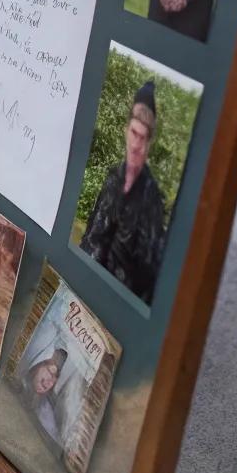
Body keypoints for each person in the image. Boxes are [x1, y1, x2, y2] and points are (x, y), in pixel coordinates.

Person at [80, 81, 167, 305]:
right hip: (84, 286)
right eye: (134, 133)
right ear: (126, 131)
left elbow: (148, 275)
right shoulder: (112, 179)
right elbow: (92, 233)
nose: (136, 143)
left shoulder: (152, 199)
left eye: (143, 137)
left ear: (149, 143)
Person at [22, 343, 69, 443]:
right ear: (39, 364)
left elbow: (55, 437)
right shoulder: (19, 382)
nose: (50, 382)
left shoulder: (45, 409)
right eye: (51, 371)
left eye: (56, 378)